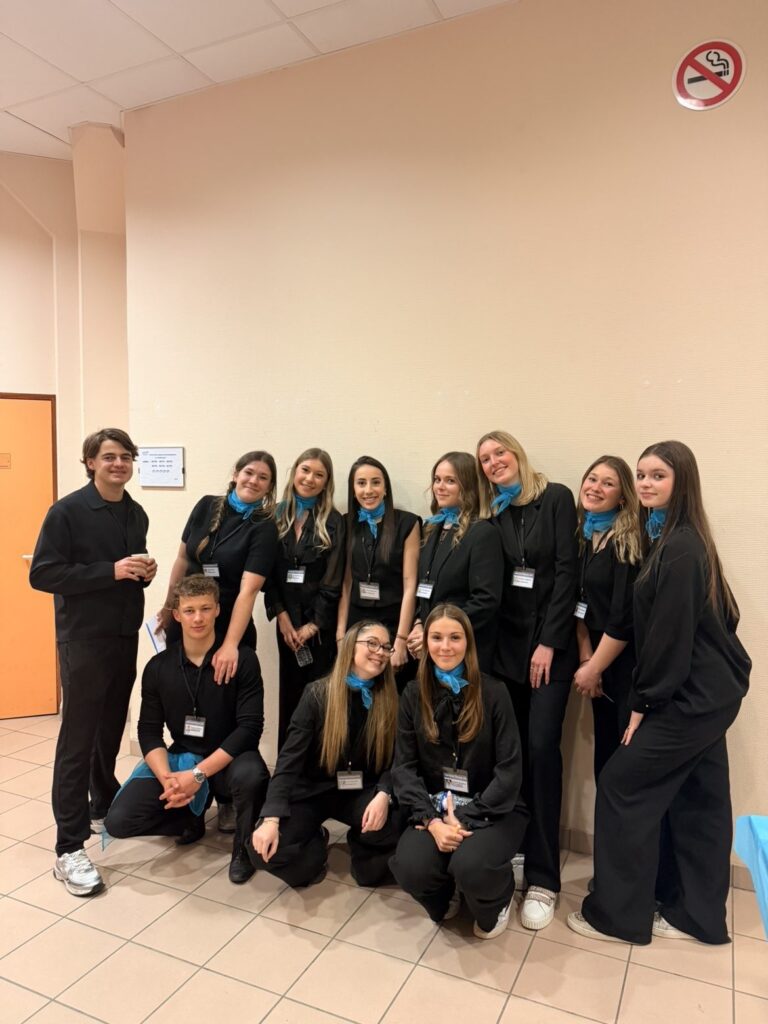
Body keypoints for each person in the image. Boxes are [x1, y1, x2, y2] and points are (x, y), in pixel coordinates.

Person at [568, 441, 751, 946]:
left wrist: (642, 707)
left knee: (621, 785)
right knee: (699, 799)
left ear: (681, 482)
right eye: (643, 475)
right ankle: (696, 915)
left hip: (692, 698)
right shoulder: (673, 537)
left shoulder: (680, 547)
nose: (646, 484)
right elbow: (724, 617)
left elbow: (668, 639)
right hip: (713, 692)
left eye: (658, 476)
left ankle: (618, 916)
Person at [30, 427, 156, 897]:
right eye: (108, 456)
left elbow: (128, 574)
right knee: (78, 740)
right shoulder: (66, 512)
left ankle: (102, 801)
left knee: (110, 728)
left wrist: (144, 573)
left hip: (123, 635)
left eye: (125, 456)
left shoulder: (136, 513)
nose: (118, 464)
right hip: (83, 640)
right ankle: (68, 847)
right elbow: (43, 573)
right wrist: (111, 571)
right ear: (90, 462)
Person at [476, 430, 578, 930]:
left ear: (517, 454)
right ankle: (513, 847)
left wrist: (549, 642)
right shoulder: (491, 515)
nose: (494, 462)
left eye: (500, 452)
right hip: (504, 655)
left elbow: (566, 573)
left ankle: (543, 877)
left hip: (547, 652)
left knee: (541, 750)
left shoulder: (555, 497)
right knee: (509, 754)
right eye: (485, 459)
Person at [105, 575, 269, 884]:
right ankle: (189, 819)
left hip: (230, 758)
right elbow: (149, 731)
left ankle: (243, 849)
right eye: (190, 610)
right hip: (183, 757)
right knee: (119, 821)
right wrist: (168, 779)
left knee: (252, 775)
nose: (198, 618)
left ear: (218, 610)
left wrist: (198, 775)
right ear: (177, 614)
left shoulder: (243, 660)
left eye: (205, 609)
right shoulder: (158, 668)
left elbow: (250, 728)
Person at [155, 451, 278, 833]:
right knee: (186, 703)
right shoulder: (206, 506)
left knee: (224, 711)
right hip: (188, 618)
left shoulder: (264, 526)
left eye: (263, 477)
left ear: (269, 487)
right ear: (236, 473)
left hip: (228, 626)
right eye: (249, 472)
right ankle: (190, 792)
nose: (253, 481)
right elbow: (181, 559)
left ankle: (226, 796)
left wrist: (230, 645)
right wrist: (168, 607)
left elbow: (248, 591)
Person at [390, 605, 529, 939]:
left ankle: (497, 899)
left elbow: (509, 771)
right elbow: (404, 768)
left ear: (468, 643)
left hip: (492, 807)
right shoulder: (413, 694)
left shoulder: (494, 693)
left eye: (455, 637)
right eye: (436, 638)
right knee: (410, 867)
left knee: (472, 866)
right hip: (435, 807)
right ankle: (445, 893)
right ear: (425, 642)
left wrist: (465, 818)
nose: (445, 647)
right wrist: (433, 821)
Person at [248, 620, 402, 887]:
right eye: (372, 644)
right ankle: (317, 843)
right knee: (262, 853)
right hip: (312, 791)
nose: (380, 652)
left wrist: (384, 793)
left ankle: (361, 844)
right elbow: (289, 759)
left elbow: (398, 757)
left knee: (394, 828)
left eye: (386, 647)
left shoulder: (389, 699)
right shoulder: (317, 694)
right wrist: (271, 818)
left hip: (359, 791)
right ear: (351, 646)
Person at [265, 448, 345, 747]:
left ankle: (315, 768)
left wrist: (313, 626)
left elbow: (334, 580)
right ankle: (288, 764)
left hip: (319, 628)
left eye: (319, 475)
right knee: (289, 694)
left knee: (319, 698)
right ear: (294, 471)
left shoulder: (334, 521)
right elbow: (267, 574)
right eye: (305, 470)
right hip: (286, 625)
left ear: (326, 482)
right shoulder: (274, 515)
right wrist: (282, 617)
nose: (310, 479)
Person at [572, 456, 641, 780]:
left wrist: (595, 667)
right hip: (595, 658)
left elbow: (623, 617)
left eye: (607, 483)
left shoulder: (627, 542)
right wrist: (587, 659)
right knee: (604, 756)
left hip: (622, 661)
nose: (595, 487)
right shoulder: (585, 537)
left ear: (623, 496)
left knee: (624, 758)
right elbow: (579, 604)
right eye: (592, 478)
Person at [406, 451, 502, 673]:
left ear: (467, 487)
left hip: (463, 650)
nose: (440, 487)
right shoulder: (431, 528)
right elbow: (425, 588)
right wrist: (419, 623)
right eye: (437, 479)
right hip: (430, 647)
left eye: (450, 481)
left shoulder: (483, 533)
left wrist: (436, 632)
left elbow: (485, 600)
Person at [337, 456, 420, 685]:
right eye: (361, 483)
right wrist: (341, 636)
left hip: (394, 622)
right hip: (357, 624)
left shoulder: (408, 523)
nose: (368, 490)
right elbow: (346, 584)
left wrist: (401, 640)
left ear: (385, 488)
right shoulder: (346, 523)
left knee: (394, 691)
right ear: (353, 490)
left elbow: (410, 585)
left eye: (375, 482)